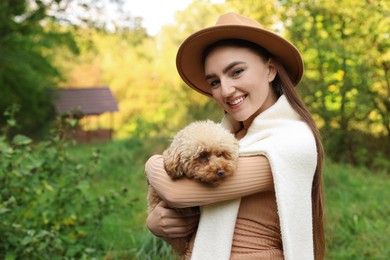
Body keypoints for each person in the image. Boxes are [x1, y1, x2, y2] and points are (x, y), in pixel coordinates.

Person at [145, 12, 325, 260]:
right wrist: (158, 223)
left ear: (270, 70)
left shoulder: (293, 140)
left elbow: (178, 193)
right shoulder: (228, 138)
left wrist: (151, 164)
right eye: (215, 82)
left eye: (237, 71)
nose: (226, 90)